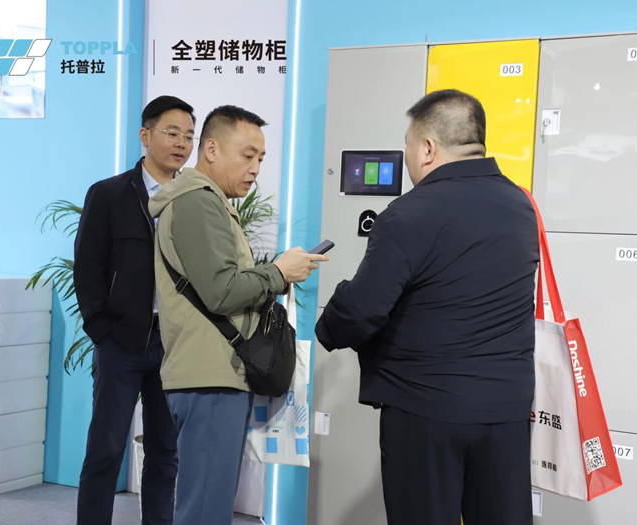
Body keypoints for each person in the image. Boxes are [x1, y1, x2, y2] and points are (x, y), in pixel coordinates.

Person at [315, 89, 539, 525]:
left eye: (407, 145)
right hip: (506, 413)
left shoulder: (408, 214)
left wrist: (330, 321)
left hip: (425, 413)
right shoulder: (520, 206)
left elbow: (361, 310)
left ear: (428, 149)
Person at [149, 105, 328, 525]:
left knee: (208, 504)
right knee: (205, 511)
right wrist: (278, 272)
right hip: (209, 378)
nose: (255, 169)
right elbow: (221, 291)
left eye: (261, 159)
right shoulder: (198, 203)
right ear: (211, 149)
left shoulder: (206, 201)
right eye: (248, 156)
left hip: (214, 375)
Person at [74, 95, 197, 525]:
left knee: (165, 452)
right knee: (105, 450)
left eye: (189, 136)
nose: (181, 143)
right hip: (120, 344)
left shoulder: (194, 199)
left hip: (174, 345)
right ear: (145, 136)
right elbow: (88, 267)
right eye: (172, 133)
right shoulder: (108, 194)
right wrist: (101, 330)